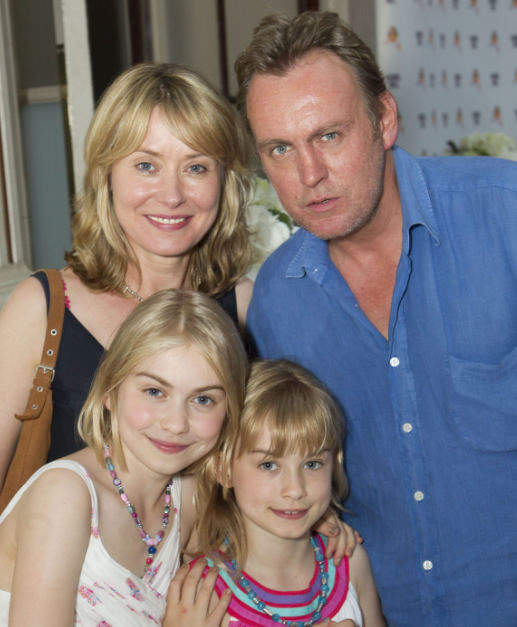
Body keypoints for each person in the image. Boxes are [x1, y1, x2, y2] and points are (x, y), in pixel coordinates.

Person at [235, 11, 517, 627]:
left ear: (383, 119)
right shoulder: (278, 302)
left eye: (329, 136)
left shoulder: (507, 218)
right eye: (280, 148)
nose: (308, 176)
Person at [0, 62, 254, 488]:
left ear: (224, 182)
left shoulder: (244, 308)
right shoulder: (43, 309)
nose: (172, 195)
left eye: (196, 167)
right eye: (146, 165)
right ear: (107, 176)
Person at [0, 289, 249, 625]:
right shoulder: (65, 497)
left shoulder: (186, 496)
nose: (176, 424)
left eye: (203, 400)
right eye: (154, 391)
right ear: (109, 389)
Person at [167, 360, 385, 627]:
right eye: (268, 465)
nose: (295, 489)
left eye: (312, 464)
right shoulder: (201, 593)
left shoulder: (350, 564)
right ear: (223, 470)